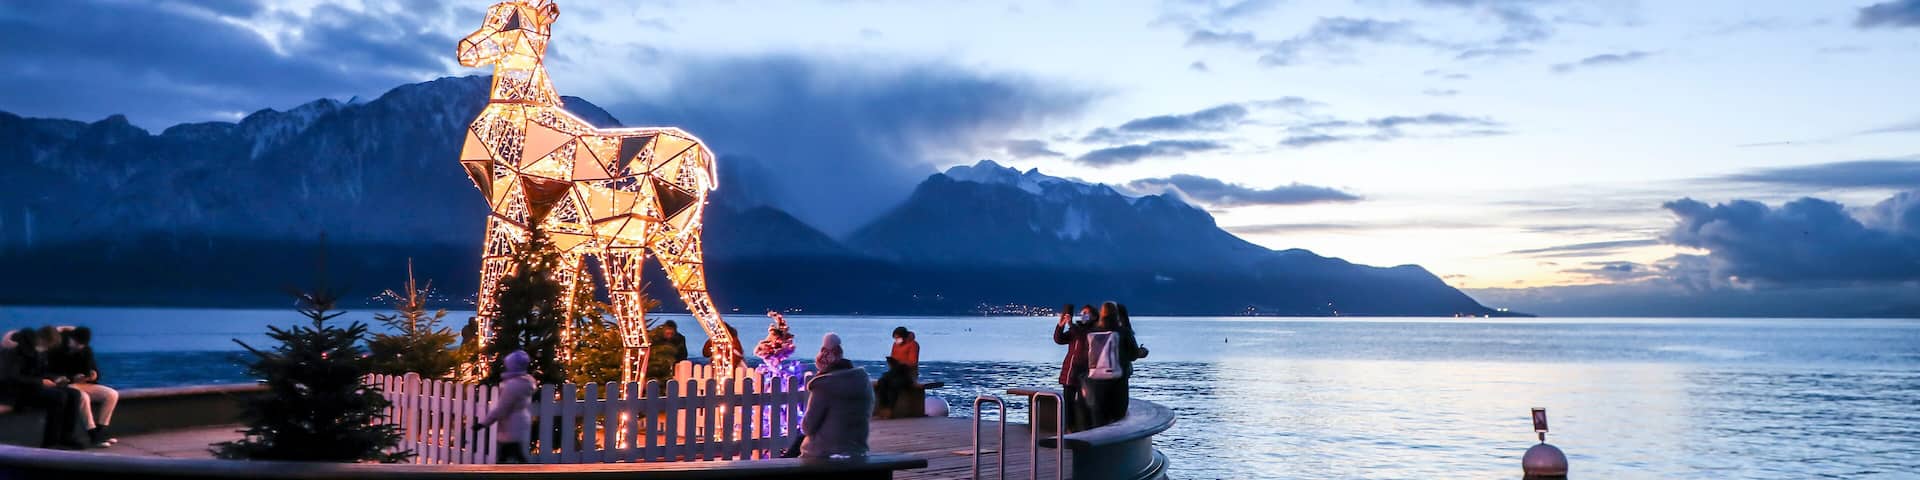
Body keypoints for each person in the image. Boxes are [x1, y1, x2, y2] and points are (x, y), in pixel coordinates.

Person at [785, 333, 872, 459]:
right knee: (799, 442)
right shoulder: (862, 382)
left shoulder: (824, 386)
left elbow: (808, 427)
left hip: (825, 452)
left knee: (795, 449)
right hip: (856, 450)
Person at [0, 330, 84, 449]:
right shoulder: (15, 350)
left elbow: (41, 372)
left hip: (32, 388)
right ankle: (50, 442)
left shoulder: (39, 352)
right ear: (42, 340)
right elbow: (10, 377)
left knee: (74, 394)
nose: (46, 349)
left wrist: (56, 378)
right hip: (16, 392)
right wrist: (40, 382)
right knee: (58, 397)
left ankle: (67, 437)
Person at [50, 327, 117, 447]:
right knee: (83, 397)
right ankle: (91, 433)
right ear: (71, 339)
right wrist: (71, 377)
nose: (79, 347)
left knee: (111, 394)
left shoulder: (86, 350)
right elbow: (52, 371)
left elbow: (93, 370)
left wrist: (93, 376)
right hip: (67, 385)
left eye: (81, 345)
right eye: (77, 343)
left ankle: (101, 431)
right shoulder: (57, 351)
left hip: (84, 383)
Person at [1082, 302, 1143, 428]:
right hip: (1118, 381)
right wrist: (1142, 352)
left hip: (1096, 382)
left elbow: (1085, 355)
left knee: (1098, 419)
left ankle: (1097, 444)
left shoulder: (1091, 332)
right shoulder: (1123, 332)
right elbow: (1132, 354)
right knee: (1117, 417)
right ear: (1116, 314)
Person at [474, 351, 536, 464]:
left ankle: (527, 475)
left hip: (511, 425)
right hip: (519, 423)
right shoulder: (525, 382)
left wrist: (484, 423)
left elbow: (502, 408)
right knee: (512, 455)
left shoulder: (512, 386)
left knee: (509, 456)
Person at [1052, 304, 1092, 431]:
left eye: (1086, 313)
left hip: (1084, 373)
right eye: (1082, 312)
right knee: (1068, 403)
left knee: (1083, 403)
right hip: (1070, 371)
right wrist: (1061, 324)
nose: (1083, 315)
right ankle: (1069, 429)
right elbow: (1059, 339)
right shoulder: (1076, 329)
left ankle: (1083, 429)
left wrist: (1071, 324)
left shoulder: (1093, 330)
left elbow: (1082, 336)